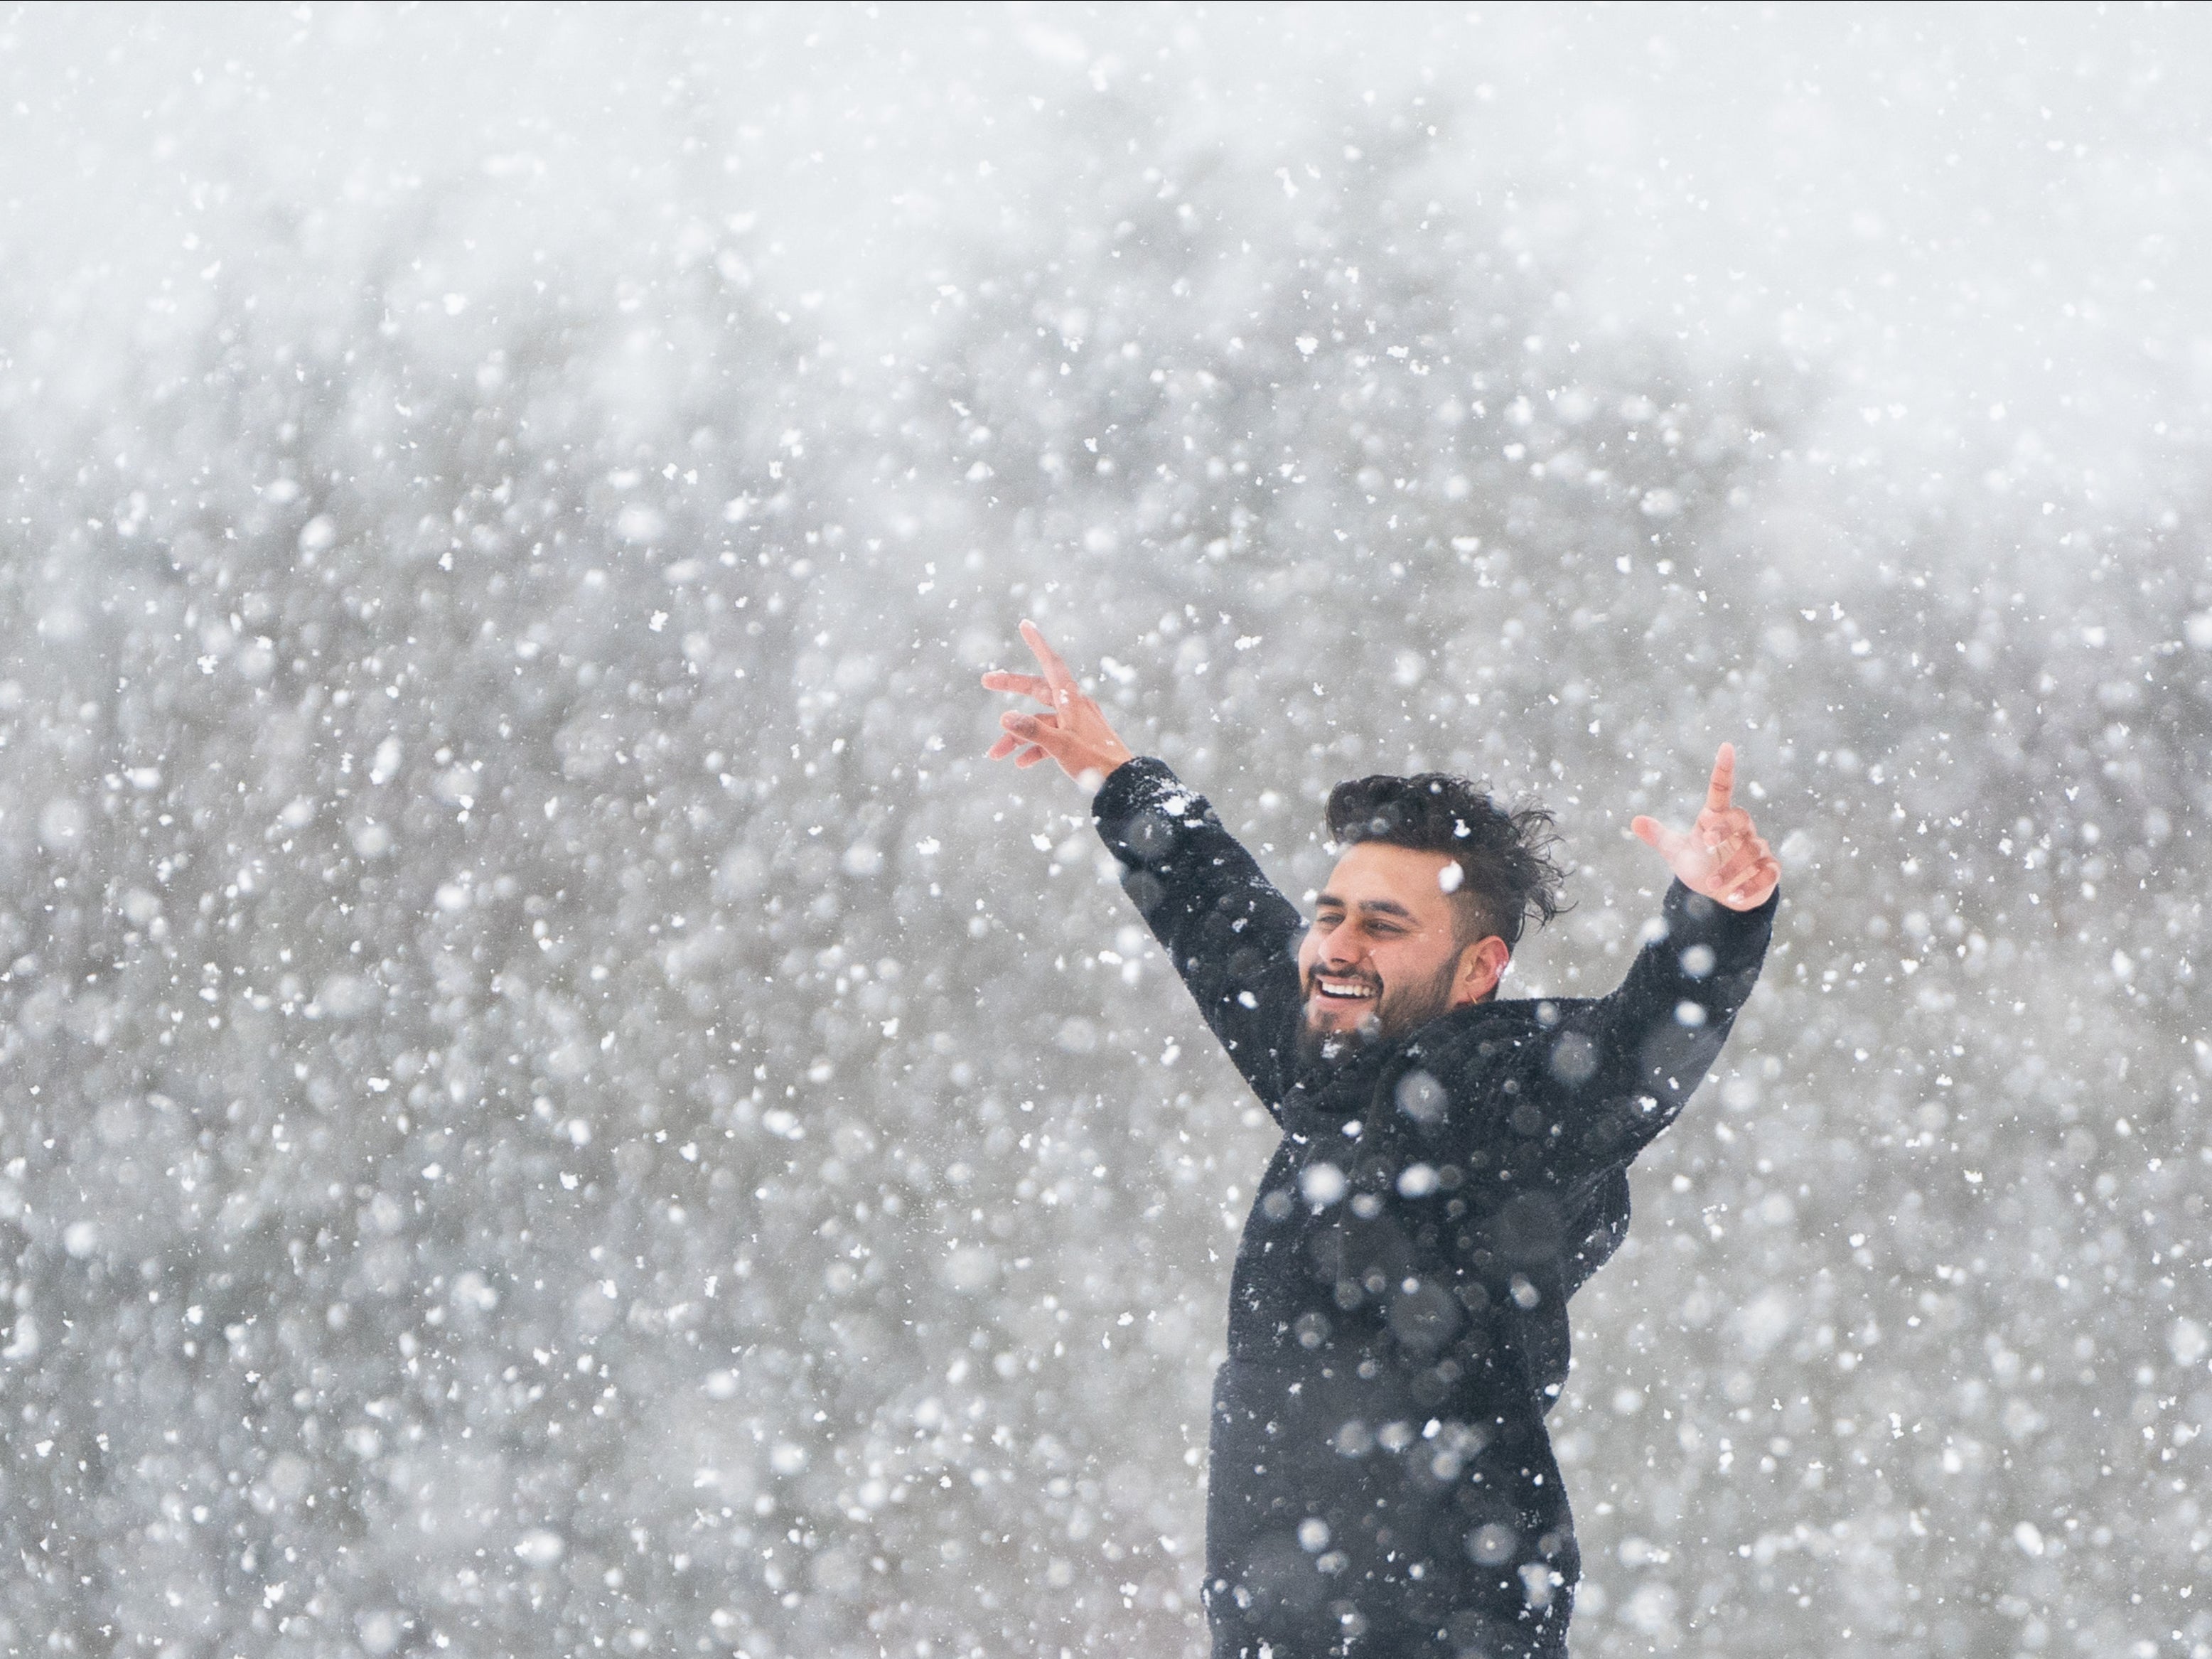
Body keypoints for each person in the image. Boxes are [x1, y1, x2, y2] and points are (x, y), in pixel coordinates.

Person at [984, 621, 1781, 1659]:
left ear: (1478, 968)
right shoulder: (1332, 1074)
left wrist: (1715, 918)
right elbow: (1227, 924)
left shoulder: (1490, 1092)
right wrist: (1117, 774)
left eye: (1384, 927)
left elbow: (1631, 1057)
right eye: (1333, 915)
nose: (1337, 947)